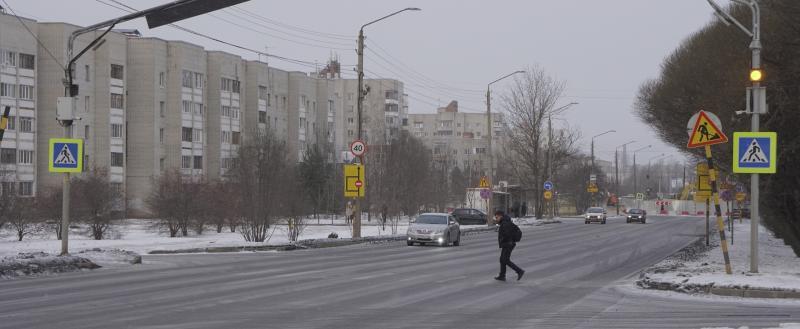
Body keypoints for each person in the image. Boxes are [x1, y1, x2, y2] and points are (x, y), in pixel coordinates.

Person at [494, 210, 524, 281]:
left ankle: (519, 271)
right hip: (507, 243)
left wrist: (507, 241)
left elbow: (508, 234)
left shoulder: (505, 223)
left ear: (501, 216)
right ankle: (502, 275)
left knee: (505, 260)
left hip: (508, 244)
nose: (496, 219)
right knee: (502, 259)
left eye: (497, 217)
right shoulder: (505, 222)